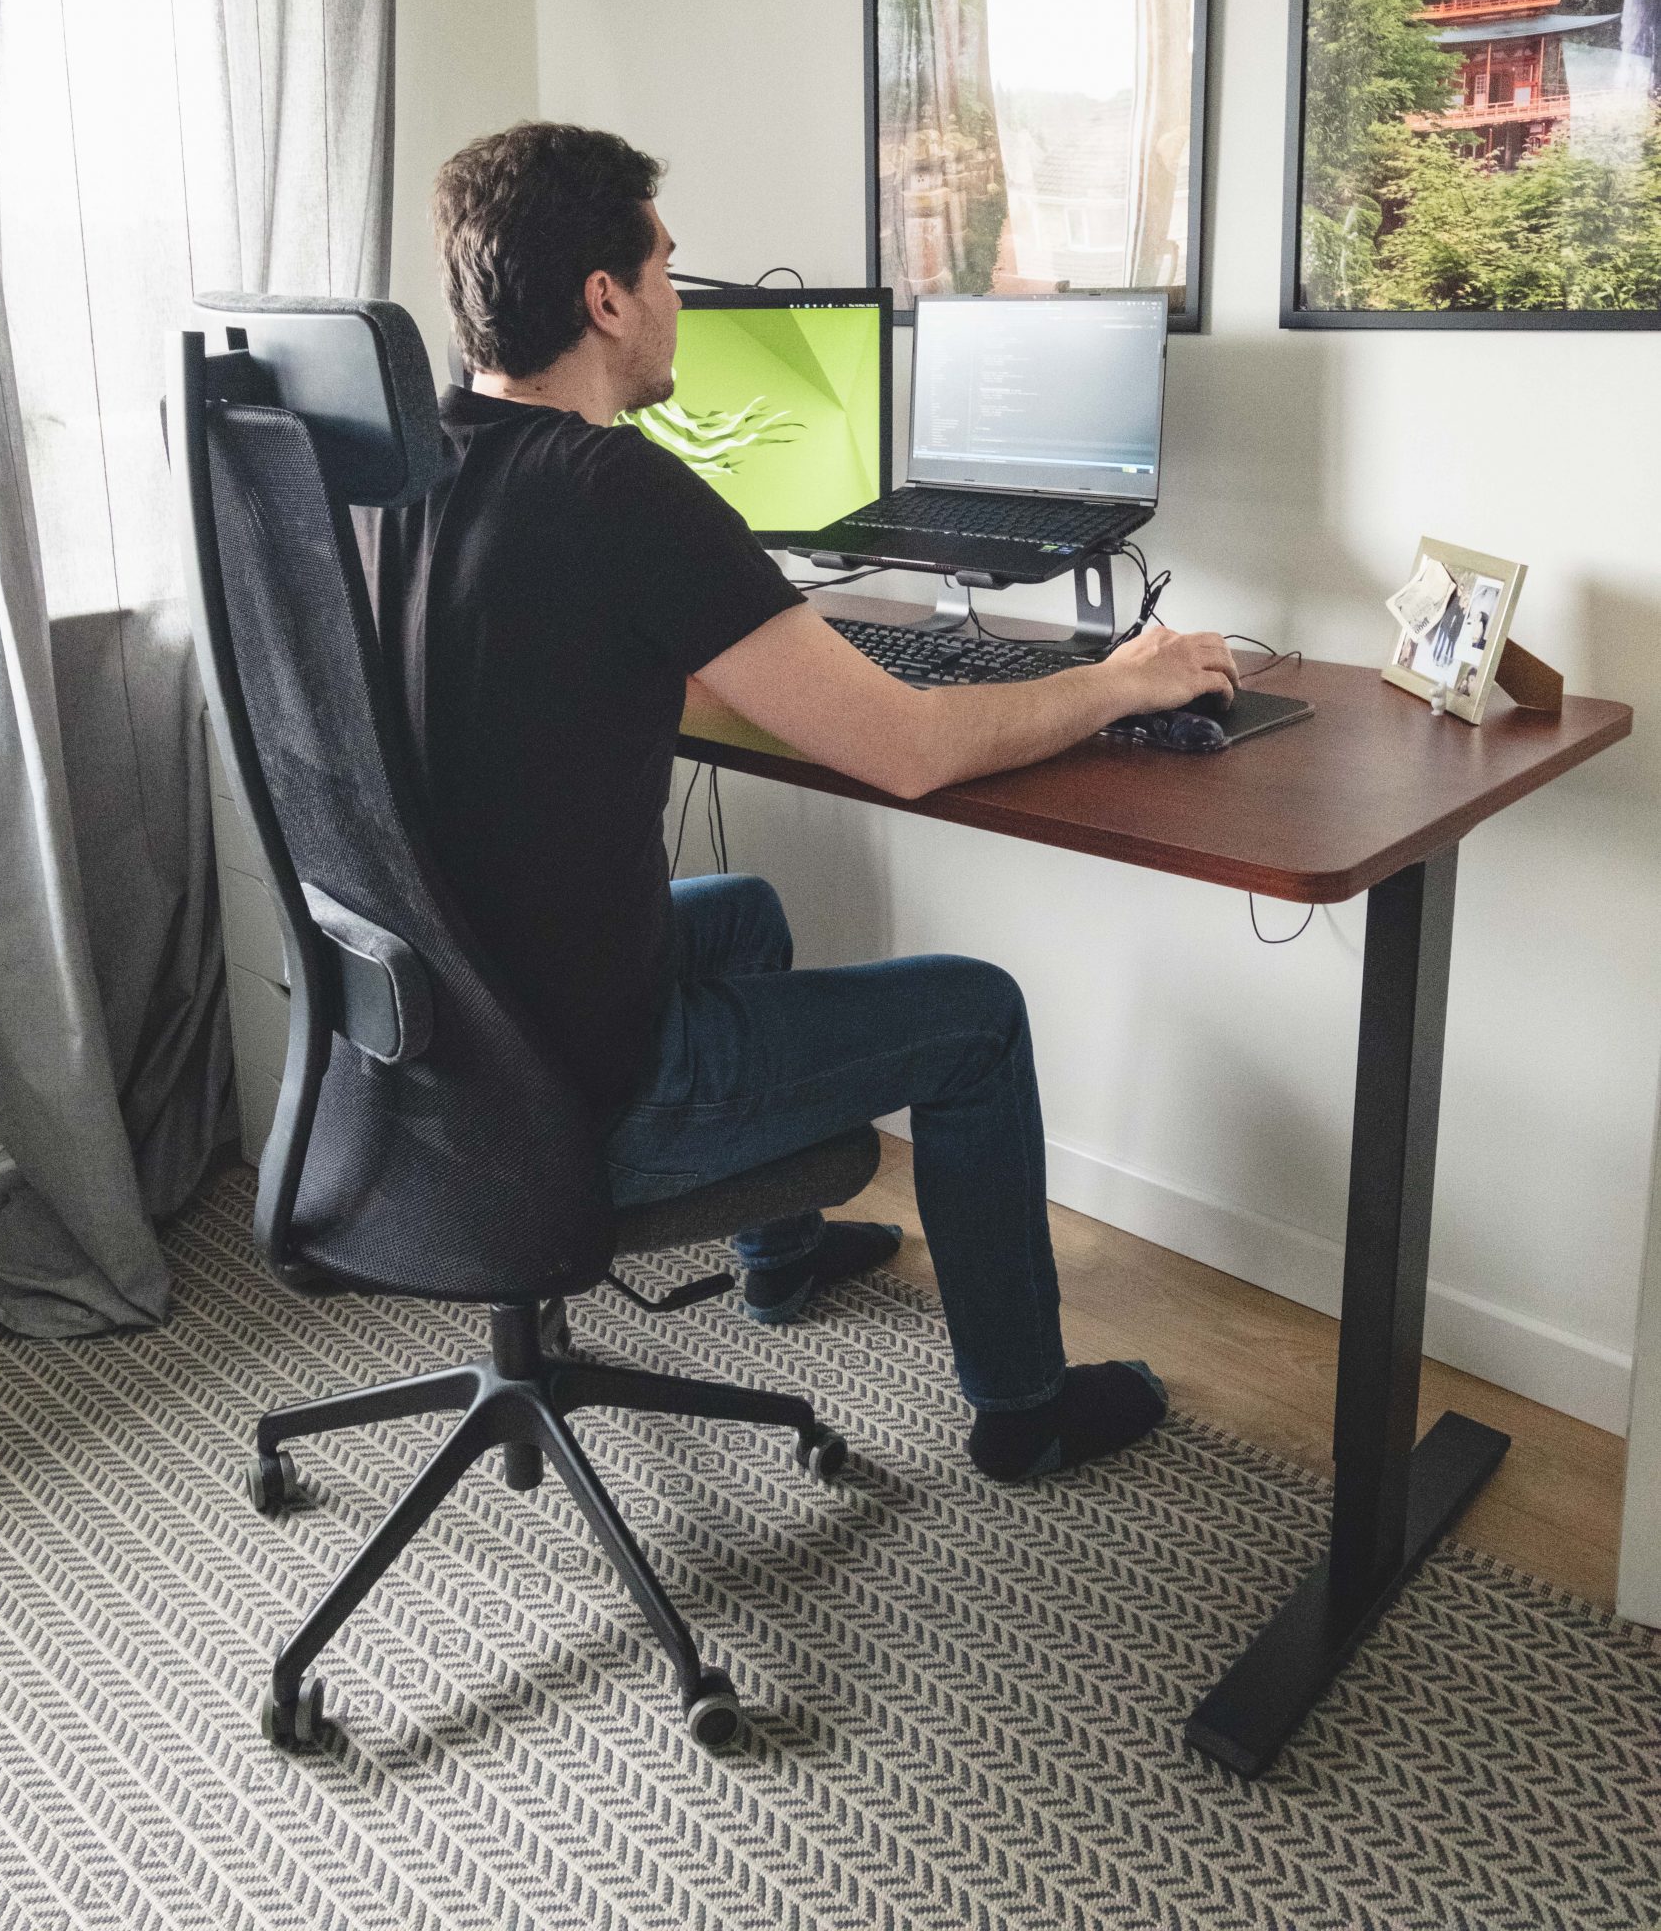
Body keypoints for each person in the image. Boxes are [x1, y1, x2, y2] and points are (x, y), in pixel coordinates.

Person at [372, 121, 1237, 1485]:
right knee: (976, 1017)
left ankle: (777, 1258)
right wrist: (1118, 684)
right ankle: (1025, 1408)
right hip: (584, 1084)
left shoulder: (419, 467)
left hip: (441, 1034)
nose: (676, 302)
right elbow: (905, 749)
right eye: (666, 269)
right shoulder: (621, 492)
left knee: (746, 909)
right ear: (604, 298)